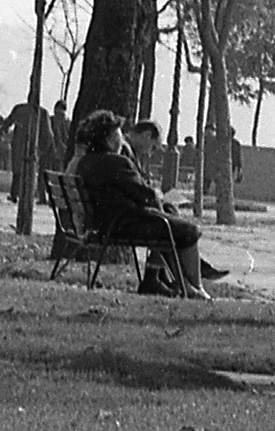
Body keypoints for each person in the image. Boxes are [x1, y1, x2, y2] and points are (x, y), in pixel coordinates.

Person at [70, 112, 213, 300]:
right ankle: (195, 288)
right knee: (189, 230)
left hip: (107, 222)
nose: (122, 138)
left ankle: (183, 284)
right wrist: (155, 196)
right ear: (111, 138)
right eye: (119, 134)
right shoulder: (117, 162)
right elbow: (145, 195)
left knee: (171, 222)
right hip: (125, 224)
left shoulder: (87, 162)